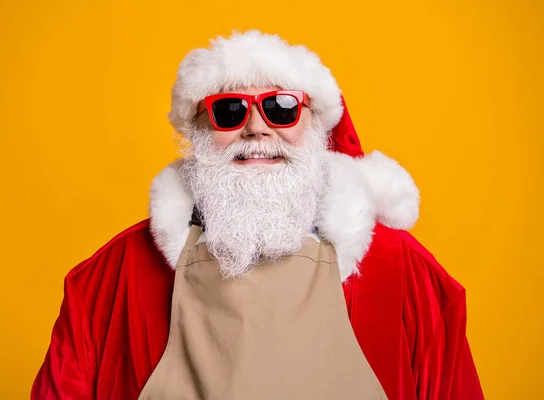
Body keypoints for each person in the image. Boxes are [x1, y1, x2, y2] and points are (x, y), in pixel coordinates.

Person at [32, 30, 484, 399]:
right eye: (229, 111)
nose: (257, 127)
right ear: (199, 130)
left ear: (315, 125)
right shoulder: (113, 276)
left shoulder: (405, 272)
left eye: (282, 107)